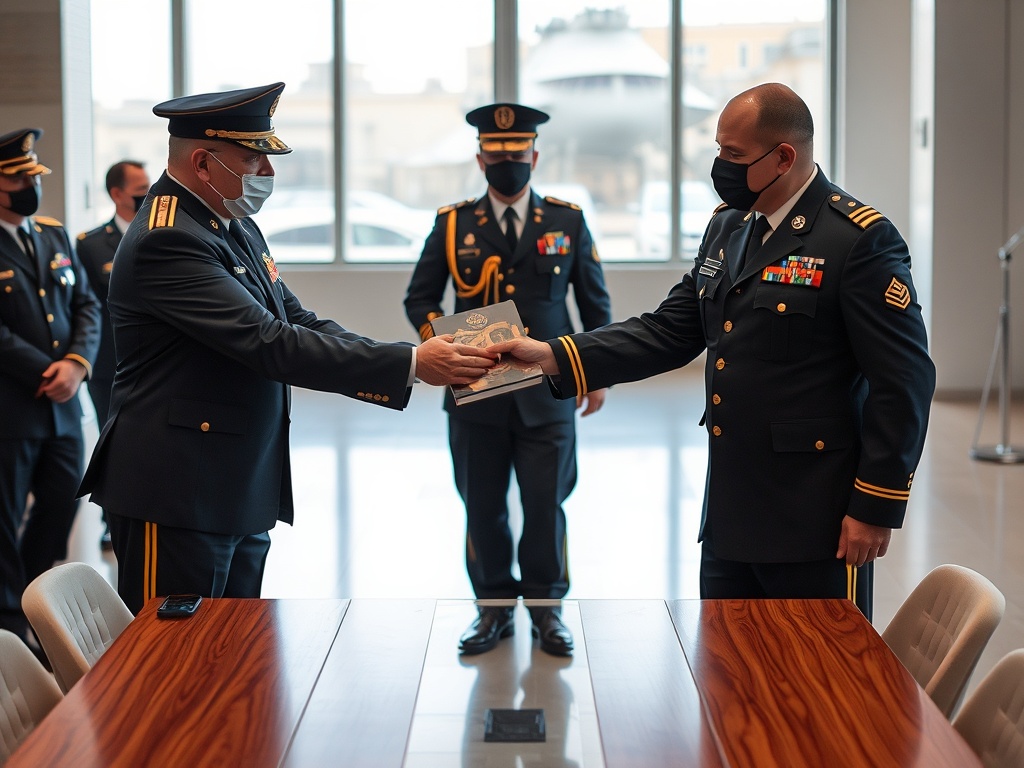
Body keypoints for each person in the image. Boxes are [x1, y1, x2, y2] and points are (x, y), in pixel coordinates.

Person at [488, 83, 936, 621]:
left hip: (815, 518)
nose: (720, 166)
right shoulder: (728, 227)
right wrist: (556, 355)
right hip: (729, 510)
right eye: (719, 149)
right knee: (727, 673)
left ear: (784, 157)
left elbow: (904, 380)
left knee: (817, 683)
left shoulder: (857, 241)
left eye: (734, 155)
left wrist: (875, 505)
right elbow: (669, 330)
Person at [78, 83, 497, 615]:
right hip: (178, 491)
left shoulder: (230, 224)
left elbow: (293, 317)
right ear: (203, 162)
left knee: (233, 653)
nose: (268, 174)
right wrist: (412, 364)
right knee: (175, 668)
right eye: (254, 158)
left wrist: (406, 358)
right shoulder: (169, 238)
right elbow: (267, 342)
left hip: (232, 480)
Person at [404, 103, 612, 655]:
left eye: (517, 155)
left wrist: (597, 372)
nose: (507, 164)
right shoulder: (452, 224)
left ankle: (547, 611)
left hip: (548, 391)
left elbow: (593, 302)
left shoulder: (567, 220)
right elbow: (420, 296)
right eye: (496, 156)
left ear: (535, 157)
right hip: (477, 391)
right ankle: (492, 610)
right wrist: (445, 342)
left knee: (546, 504)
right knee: (483, 504)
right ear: (479, 159)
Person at [0, 128, 101, 643]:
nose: (28, 187)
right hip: (12, 408)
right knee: (4, 515)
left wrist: (78, 364)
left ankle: (32, 605)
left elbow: (86, 304)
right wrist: (49, 369)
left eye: (31, 177)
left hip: (63, 407)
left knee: (63, 501)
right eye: (18, 178)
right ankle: (9, 632)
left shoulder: (53, 234)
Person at [76, 159, 151, 551]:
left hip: (154, 361)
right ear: (117, 194)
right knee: (114, 441)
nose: (146, 193)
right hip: (109, 364)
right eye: (138, 188)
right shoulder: (90, 244)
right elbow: (86, 306)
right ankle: (112, 519)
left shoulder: (160, 232)